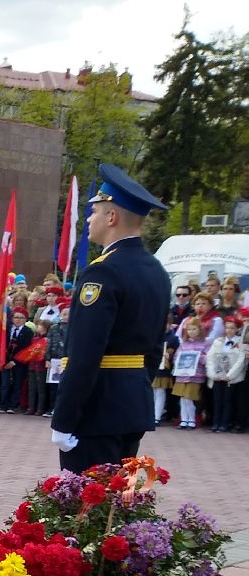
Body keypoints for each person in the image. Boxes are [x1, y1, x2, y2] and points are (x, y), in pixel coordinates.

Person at [51, 164, 172, 470]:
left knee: (86, 510)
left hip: (96, 410)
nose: (89, 219)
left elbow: (84, 352)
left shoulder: (103, 271)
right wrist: (132, 387)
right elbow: (154, 349)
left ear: (112, 217)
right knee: (117, 509)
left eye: (94, 212)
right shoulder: (155, 270)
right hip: (131, 405)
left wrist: (64, 418)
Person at [205, 314, 245, 433]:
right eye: (227, 327)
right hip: (217, 377)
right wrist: (212, 374)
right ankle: (216, 422)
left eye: (232, 328)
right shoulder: (218, 341)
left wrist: (230, 375)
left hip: (230, 378)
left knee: (228, 401)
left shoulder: (239, 343)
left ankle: (225, 423)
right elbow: (210, 357)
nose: (229, 330)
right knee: (217, 401)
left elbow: (240, 360)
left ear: (237, 329)